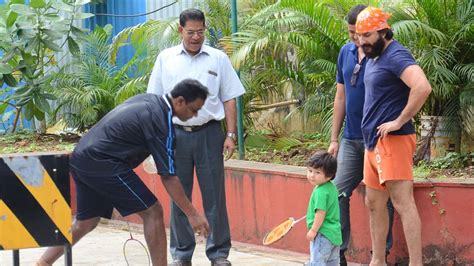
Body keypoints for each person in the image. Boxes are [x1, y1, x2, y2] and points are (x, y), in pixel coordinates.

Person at [35, 79, 210, 266]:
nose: (195, 115)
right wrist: (193, 214)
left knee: (86, 222)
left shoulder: (149, 100)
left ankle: (42, 263)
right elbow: (167, 175)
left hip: (82, 157)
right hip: (103, 162)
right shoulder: (161, 120)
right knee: (153, 211)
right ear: (180, 101)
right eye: (194, 109)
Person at [147, 8, 245, 266]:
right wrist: (156, 139)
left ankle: (219, 253)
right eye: (191, 33)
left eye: (200, 32)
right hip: (175, 136)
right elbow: (155, 100)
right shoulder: (165, 59)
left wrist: (231, 134)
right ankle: (181, 255)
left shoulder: (218, 58)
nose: (195, 37)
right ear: (181, 31)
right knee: (180, 196)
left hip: (210, 135)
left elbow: (230, 97)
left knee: (215, 197)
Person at [356, 7, 432, 266]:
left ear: (382, 31)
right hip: (373, 142)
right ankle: (377, 261)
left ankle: (416, 263)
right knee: (374, 203)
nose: (362, 41)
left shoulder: (396, 54)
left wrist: (399, 120)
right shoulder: (374, 56)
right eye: (358, 35)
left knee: (403, 202)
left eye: (366, 35)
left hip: (394, 140)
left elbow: (422, 87)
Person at [328, 5, 394, 265]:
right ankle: (339, 252)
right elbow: (340, 95)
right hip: (351, 138)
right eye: (351, 32)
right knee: (336, 192)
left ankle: (381, 254)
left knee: (381, 197)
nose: (356, 38)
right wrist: (334, 138)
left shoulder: (381, 53)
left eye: (360, 33)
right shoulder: (345, 52)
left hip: (378, 139)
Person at [305, 151, 342, 266]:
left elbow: (321, 213)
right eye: (310, 170)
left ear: (329, 176)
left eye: (317, 172)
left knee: (318, 263)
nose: (312, 175)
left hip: (322, 234)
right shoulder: (331, 187)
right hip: (334, 234)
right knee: (332, 263)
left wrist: (313, 230)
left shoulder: (320, 191)